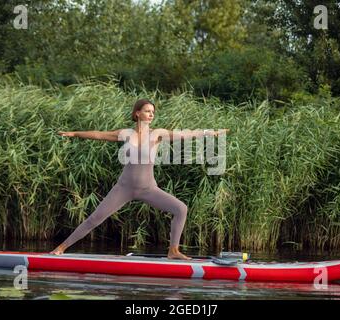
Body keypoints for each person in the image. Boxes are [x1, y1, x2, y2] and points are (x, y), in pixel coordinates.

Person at [50, 99, 228, 260]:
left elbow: (185, 135)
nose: (151, 114)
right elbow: (99, 134)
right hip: (124, 188)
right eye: (147, 111)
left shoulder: (157, 133)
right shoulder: (125, 133)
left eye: (153, 112)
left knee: (181, 209)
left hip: (148, 189)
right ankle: (61, 248)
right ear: (137, 113)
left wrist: (209, 132)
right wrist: (74, 133)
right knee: (95, 219)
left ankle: (173, 250)